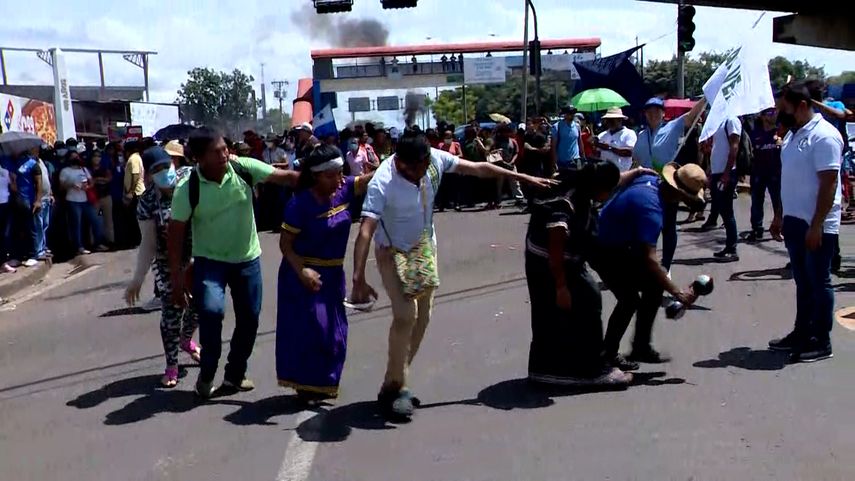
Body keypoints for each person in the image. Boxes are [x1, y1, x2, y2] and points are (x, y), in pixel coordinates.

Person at [349, 131, 555, 418]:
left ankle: (394, 380)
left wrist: (523, 178)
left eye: (426, 165)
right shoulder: (383, 181)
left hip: (424, 247)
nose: (424, 171)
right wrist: (358, 278)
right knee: (406, 315)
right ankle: (396, 386)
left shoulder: (434, 159)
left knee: (423, 316)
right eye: (416, 168)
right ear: (401, 163)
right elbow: (365, 230)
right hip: (392, 252)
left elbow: (478, 168)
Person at [168, 127, 301, 399]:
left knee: (250, 318)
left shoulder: (243, 168)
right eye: (216, 152)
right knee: (212, 312)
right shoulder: (188, 188)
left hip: (246, 260)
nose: (224, 154)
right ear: (199, 158)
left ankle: (235, 374)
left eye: (224, 148)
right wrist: (177, 278)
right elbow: (175, 233)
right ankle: (207, 373)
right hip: (210, 263)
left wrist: (324, 180)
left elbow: (286, 178)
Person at [526, 162, 643, 387]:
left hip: (564, 256)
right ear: (598, 187)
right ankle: (592, 370)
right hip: (548, 261)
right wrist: (561, 286)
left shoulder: (583, 181)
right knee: (585, 301)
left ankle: (549, 369)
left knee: (556, 311)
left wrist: (637, 172)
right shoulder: (566, 202)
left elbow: (613, 180)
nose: (611, 194)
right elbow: (556, 245)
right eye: (609, 190)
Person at [277, 145, 374, 402]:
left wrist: (399, 159)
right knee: (312, 332)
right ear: (316, 176)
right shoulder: (299, 204)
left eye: (341, 173)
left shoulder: (344, 189)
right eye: (331, 175)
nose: (339, 179)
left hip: (333, 275)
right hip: (303, 276)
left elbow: (368, 179)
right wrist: (303, 271)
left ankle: (322, 384)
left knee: (334, 332)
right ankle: (305, 385)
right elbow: (285, 244)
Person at [594, 163, 706, 371]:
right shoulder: (651, 209)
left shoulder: (650, 180)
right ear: (679, 193)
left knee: (654, 285)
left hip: (619, 240)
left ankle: (641, 347)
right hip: (603, 247)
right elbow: (649, 259)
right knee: (629, 300)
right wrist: (677, 292)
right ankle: (607, 355)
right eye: (688, 198)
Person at [768, 80, 844, 363]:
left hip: (817, 224)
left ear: (801, 106)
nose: (780, 114)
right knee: (803, 282)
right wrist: (779, 215)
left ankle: (821, 340)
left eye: (784, 108)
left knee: (818, 282)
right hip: (794, 221)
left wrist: (817, 225)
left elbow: (829, 184)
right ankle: (802, 332)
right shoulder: (792, 135)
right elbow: (788, 180)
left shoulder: (825, 136)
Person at [125, 147, 201, 387]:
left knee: (200, 304)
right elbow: (148, 244)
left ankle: (186, 340)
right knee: (172, 311)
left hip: (197, 255)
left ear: (173, 164)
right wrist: (137, 279)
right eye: (156, 169)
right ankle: (172, 364)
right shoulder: (147, 202)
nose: (164, 172)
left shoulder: (189, 179)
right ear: (148, 175)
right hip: (166, 262)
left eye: (166, 166)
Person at [634, 97, 708, 274]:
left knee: (668, 227)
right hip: (646, 188)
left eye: (657, 110)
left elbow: (691, 116)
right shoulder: (641, 135)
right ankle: (648, 265)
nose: (653, 114)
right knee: (647, 228)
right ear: (645, 114)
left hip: (668, 185)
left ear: (663, 113)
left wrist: (705, 97)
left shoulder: (672, 127)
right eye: (649, 111)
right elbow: (635, 160)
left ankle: (666, 266)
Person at [701, 116, 742, 261]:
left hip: (726, 173)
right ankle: (729, 247)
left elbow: (734, 146)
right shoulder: (718, 121)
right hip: (717, 173)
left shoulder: (731, 120)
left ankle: (732, 249)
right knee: (722, 209)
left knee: (727, 211)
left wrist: (726, 173)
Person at [60, 151, 108, 255]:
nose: (75, 158)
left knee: (97, 220)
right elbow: (62, 186)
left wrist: (87, 187)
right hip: (73, 201)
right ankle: (79, 247)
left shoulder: (84, 169)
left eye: (77, 156)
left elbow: (91, 182)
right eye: (73, 157)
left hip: (86, 200)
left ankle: (98, 243)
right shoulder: (65, 171)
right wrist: (72, 184)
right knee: (76, 224)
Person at [747, 108, 783, 242]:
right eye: (770, 113)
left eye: (775, 112)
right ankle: (757, 228)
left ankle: (779, 227)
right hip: (758, 172)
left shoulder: (780, 132)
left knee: (778, 201)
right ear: (762, 116)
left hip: (776, 173)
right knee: (756, 201)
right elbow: (748, 152)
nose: (774, 115)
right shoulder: (755, 133)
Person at [10, 147, 43, 267]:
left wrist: (38, 200)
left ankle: (33, 255)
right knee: (18, 229)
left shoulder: (33, 164)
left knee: (31, 229)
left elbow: (39, 183)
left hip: (29, 200)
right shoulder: (14, 163)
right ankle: (19, 256)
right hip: (17, 200)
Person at [595, 108, 637, 172]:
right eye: (608, 119)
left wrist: (609, 148)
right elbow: (597, 154)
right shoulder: (601, 135)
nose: (609, 122)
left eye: (612, 120)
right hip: (604, 172)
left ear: (620, 120)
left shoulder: (629, 133)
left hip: (622, 173)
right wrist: (593, 145)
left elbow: (630, 152)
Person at [122, 141, 145, 247]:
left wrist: (131, 191)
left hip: (136, 192)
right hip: (136, 191)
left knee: (133, 218)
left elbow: (135, 175)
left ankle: (136, 240)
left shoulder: (133, 159)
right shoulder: (136, 157)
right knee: (133, 217)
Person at [90, 150, 114, 246]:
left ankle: (110, 241)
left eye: (99, 156)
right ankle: (94, 242)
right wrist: (98, 180)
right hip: (94, 198)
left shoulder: (104, 169)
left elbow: (109, 179)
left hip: (106, 196)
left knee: (108, 220)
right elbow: (90, 182)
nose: (97, 158)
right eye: (95, 156)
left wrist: (98, 180)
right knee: (94, 220)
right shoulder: (88, 170)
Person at [551, 105, 585, 172]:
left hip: (576, 160)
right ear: (565, 114)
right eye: (570, 113)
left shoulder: (577, 126)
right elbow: (553, 146)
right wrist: (554, 162)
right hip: (562, 161)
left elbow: (580, 142)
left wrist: (583, 157)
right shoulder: (557, 127)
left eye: (573, 113)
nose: (572, 115)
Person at [34, 154, 53, 260]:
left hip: (47, 198)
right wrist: (37, 199)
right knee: (39, 226)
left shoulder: (41, 161)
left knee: (45, 224)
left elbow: (46, 179)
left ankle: (43, 247)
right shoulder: (30, 164)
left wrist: (51, 194)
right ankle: (39, 250)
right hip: (39, 199)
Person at [0, 162, 13, 273]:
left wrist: (13, 178)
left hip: (4, 205)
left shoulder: (4, 171)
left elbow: (13, 187)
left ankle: (3, 264)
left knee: (4, 235)